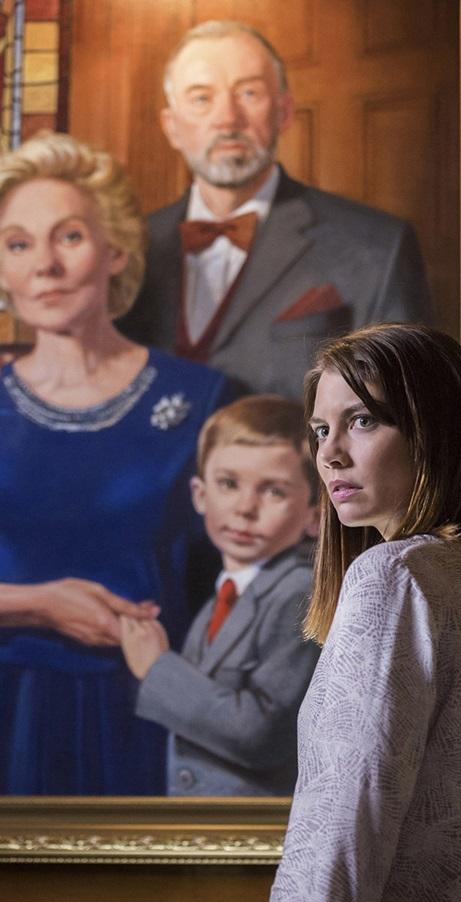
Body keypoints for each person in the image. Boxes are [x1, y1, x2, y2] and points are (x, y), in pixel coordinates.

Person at [268, 323, 461, 902]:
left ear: (435, 431)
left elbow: (341, 834)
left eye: (362, 421)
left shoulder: (396, 576)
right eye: (320, 430)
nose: (330, 453)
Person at [0, 130, 232, 795]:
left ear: (116, 251)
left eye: (69, 237)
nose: (44, 265)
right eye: (18, 244)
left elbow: (252, 583)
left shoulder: (200, 398)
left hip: (147, 713)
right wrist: (39, 605)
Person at [117, 20, 432, 400]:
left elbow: (405, 413)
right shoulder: (127, 248)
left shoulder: (378, 247)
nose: (227, 118)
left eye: (249, 93)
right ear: (171, 126)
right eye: (201, 98)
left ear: (284, 112)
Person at [119, 394, 321, 796]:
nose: (245, 508)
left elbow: (261, 734)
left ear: (315, 516)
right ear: (200, 495)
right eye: (228, 484)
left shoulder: (297, 594)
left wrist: (157, 668)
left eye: (274, 492)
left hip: (256, 823)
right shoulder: (227, 592)